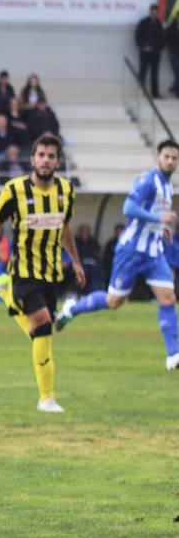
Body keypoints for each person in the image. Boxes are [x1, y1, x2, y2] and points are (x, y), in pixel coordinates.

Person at [0, 134, 86, 412]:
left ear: (57, 161)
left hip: (52, 272)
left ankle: (6, 296)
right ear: (32, 159)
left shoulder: (66, 190)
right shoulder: (14, 189)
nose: (45, 160)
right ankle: (46, 399)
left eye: (51, 156)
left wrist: (75, 261)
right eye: (41, 154)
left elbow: (65, 229)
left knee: (40, 330)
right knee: (42, 322)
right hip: (24, 271)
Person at [55, 140, 177, 370]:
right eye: (167, 157)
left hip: (153, 252)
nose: (170, 161)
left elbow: (155, 214)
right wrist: (158, 220)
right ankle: (72, 307)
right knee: (114, 301)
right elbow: (128, 209)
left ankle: (173, 355)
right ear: (157, 158)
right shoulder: (147, 180)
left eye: (174, 158)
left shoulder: (168, 186)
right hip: (131, 250)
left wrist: (162, 229)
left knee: (168, 297)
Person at [136, 4, 165, 99]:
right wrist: (141, 47)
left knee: (155, 73)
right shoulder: (143, 22)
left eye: (156, 12)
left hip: (156, 53)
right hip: (145, 52)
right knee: (143, 72)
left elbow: (162, 37)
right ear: (150, 12)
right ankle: (141, 93)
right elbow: (138, 35)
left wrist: (160, 48)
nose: (154, 14)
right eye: (153, 12)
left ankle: (155, 93)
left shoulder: (159, 23)